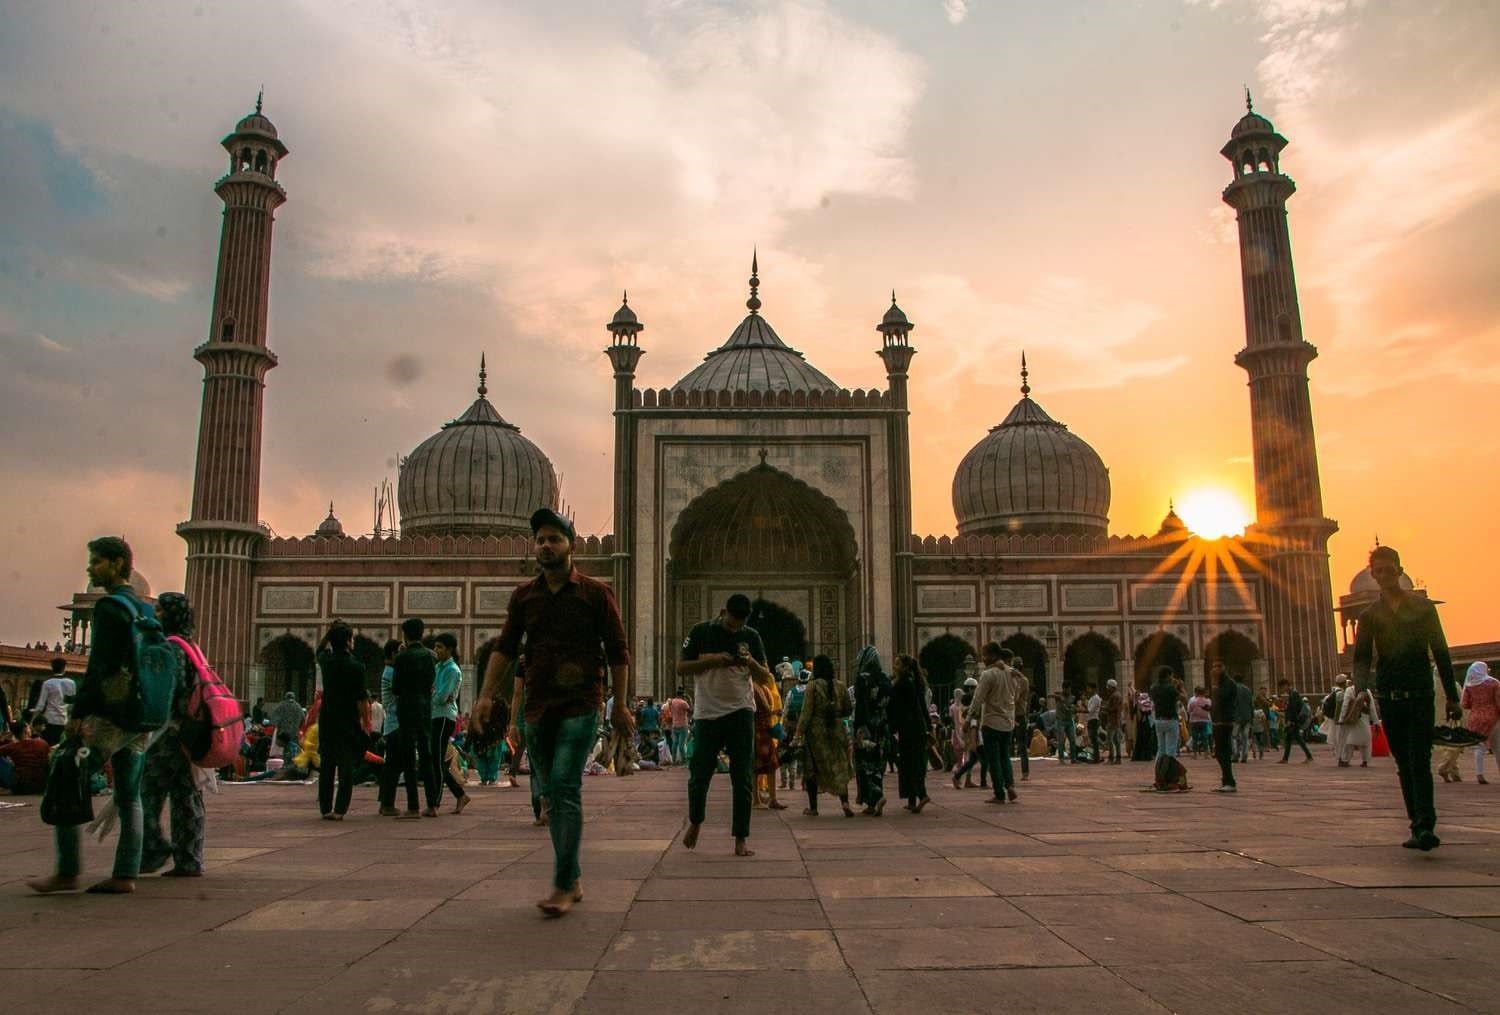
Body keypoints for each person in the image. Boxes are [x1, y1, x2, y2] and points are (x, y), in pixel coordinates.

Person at [472, 507, 632, 915]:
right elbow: (505, 648)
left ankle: (562, 884)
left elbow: (617, 651)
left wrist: (621, 705)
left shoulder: (597, 593)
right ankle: (572, 875)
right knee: (550, 794)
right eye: (540, 539)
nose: (545, 545)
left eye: (553, 538)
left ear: (571, 545)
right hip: (538, 706)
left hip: (581, 701)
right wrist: (486, 695)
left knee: (563, 784)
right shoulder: (524, 596)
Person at [30, 536, 159, 895]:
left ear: (117, 564)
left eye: (97, 561)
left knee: (67, 772)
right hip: (143, 716)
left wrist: (80, 713)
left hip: (112, 716)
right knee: (129, 794)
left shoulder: (111, 608)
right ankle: (126, 874)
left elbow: (98, 666)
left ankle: (68, 870)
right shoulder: (146, 611)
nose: (91, 567)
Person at [1352, 544, 1461, 851]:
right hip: (1390, 694)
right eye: (1379, 571)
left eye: (1390, 570)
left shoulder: (1423, 608)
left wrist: (1452, 697)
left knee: (1419, 760)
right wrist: (1361, 689)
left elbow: (1440, 651)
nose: (1385, 575)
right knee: (1404, 762)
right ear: (1374, 575)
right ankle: (1418, 824)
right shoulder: (1370, 615)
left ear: (1399, 571)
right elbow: (1361, 658)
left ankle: (1425, 825)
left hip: (1421, 693)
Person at [677, 595, 767, 856]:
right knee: (699, 776)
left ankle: (741, 838)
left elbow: (764, 676)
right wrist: (713, 660)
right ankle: (695, 821)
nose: (735, 629)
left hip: (741, 711)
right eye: (731, 623)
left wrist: (749, 661)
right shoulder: (701, 632)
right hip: (707, 714)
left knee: (742, 778)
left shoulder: (751, 636)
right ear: (722, 612)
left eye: (740, 624)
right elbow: (681, 667)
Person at [315, 621, 369, 821]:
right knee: (346, 767)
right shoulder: (357, 666)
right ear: (348, 642)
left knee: (327, 765)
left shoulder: (326, 662)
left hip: (328, 718)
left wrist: (329, 633)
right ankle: (340, 810)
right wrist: (366, 723)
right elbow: (362, 698)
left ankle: (325, 808)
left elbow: (319, 650)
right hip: (348, 719)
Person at [391, 618, 437, 819]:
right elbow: (431, 681)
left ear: (405, 635)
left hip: (407, 708)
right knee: (427, 756)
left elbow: (396, 688)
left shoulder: (402, 657)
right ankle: (432, 805)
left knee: (409, 757)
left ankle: (413, 806)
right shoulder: (430, 656)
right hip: (425, 707)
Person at [800, 654, 854, 817]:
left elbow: (806, 712)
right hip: (837, 730)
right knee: (840, 767)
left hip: (816, 732)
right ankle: (845, 802)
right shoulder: (840, 686)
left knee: (813, 768)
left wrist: (797, 734)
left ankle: (813, 807)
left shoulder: (813, 686)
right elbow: (848, 710)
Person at [970, 644, 1024, 804]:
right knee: (1005, 757)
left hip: (991, 722)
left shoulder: (988, 674)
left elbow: (977, 699)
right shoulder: (1013, 674)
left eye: (985, 655)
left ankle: (999, 793)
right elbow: (1017, 696)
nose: (983, 658)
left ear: (993, 655)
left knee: (994, 760)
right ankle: (1010, 785)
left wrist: (968, 720)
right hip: (1008, 722)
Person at [430, 632, 470, 815]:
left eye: (439, 647)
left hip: (444, 716)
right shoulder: (439, 667)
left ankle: (435, 803)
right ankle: (460, 795)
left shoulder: (452, 670)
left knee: (437, 761)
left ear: (449, 649)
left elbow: (442, 697)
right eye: (435, 646)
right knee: (436, 760)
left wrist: (432, 696)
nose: (436, 650)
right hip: (437, 715)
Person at [887, 654, 931, 812]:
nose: (894, 666)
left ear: (905, 667)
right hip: (916, 728)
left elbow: (897, 708)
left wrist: (892, 727)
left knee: (909, 764)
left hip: (908, 729)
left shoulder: (903, 683)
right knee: (914, 762)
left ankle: (922, 794)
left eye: (897, 664)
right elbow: (922, 708)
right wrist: (928, 728)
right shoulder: (915, 682)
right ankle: (912, 801)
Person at [852, 645, 891, 815]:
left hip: (866, 727)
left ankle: (877, 796)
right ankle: (871, 805)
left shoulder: (863, 678)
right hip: (882, 728)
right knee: (878, 765)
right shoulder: (884, 679)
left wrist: (859, 728)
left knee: (864, 764)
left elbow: (861, 705)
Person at [750, 663, 785, 810]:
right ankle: (756, 799)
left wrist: (774, 712)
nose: (768, 674)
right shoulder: (751, 689)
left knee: (771, 765)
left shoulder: (764, 689)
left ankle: (773, 798)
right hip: (756, 731)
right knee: (756, 767)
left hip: (766, 731)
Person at [375, 639, 404, 815]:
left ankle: (384, 802)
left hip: (392, 724)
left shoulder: (389, 671)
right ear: (394, 654)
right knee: (394, 766)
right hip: (395, 724)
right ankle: (387, 804)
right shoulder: (392, 672)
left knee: (391, 766)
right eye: (400, 651)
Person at [1461, 662, 1499, 784]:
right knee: (1497, 746)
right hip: (1492, 717)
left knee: (1479, 746)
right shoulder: (1494, 683)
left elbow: (1465, 704)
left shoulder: (1469, 685)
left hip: (1475, 718)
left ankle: (1479, 774)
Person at [1336, 679, 1378, 768]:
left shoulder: (1350, 690)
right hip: (1364, 718)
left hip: (1352, 718)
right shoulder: (1367, 691)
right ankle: (1365, 761)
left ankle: (1345, 760)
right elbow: (1372, 708)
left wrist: (1342, 719)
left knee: (1349, 740)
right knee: (1365, 741)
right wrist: (1375, 721)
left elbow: (1345, 705)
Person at [0, 722, 51, 794]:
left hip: (20, 784)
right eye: (29, 728)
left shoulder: (13, 747)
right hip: (40, 784)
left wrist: (2, 740)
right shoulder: (42, 743)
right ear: (25, 730)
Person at [1210, 665, 1238, 793]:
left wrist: (1215, 686)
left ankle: (1229, 782)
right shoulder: (1221, 683)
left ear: (1223, 668)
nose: (1213, 670)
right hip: (1218, 721)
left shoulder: (1228, 684)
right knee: (1219, 752)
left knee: (1223, 752)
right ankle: (1226, 780)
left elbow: (1222, 699)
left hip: (1224, 722)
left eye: (1217, 667)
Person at [36, 658, 75, 746]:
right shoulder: (71, 683)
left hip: (49, 719)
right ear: (64, 668)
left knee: (47, 745)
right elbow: (71, 703)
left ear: (52, 668)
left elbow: (41, 705)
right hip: (63, 720)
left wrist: (32, 721)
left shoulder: (48, 683)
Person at [1149, 667, 1184, 760]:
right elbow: (1184, 698)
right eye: (1172, 675)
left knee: (1161, 749)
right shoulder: (1170, 688)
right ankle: (1168, 772)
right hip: (1170, 719)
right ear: (1168, 675)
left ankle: (1159, 771)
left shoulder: (1153, 687)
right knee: (1171, 749)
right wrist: (1180, 687)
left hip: (1158, 720)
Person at [1277, 679, 1314, 763]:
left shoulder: (1293, 694)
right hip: (1294, 720)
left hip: (1294, 720)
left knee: (1295, 739)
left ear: (1286, 685)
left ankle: (1308, 757)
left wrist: (1291, 720)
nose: (1282, 690)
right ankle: (1286, 758)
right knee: (1290, 738)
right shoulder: (1292, 693)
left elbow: (1293, 709)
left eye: (1282, 687)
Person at [268, 692, 305, 763]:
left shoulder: (281, 705)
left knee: (284, 751)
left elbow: (273, 720)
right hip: (294, 733)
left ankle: (286, 764)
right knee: (293, 750)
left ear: (285, 697)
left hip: (283, 735)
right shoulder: (298, 706)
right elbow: (303, 718)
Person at [1231, 668, 1254, 763]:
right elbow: (1251, 703)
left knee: (1234, 736)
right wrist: (1251, 716)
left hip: (1237, 716)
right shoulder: (1247, 689)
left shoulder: (1234, 688)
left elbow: (1233, 703)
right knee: (1245, 736)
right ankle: (1245, 755)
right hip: (1247, 716)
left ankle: (1236, 754)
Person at [1099, 679, 1124, 764]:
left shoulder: (1114, 695)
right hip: (1116, 719)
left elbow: (1114, 708)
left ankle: (1111, 758)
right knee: (1116, 740)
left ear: (1111, 687)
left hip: (1113, 720)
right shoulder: (1118, 695)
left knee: (1110, 739)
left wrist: (1103, 708)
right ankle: (1118, 758)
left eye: (1108, 687)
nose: (1107, 689)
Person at [666, 689, 691, 766]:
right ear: (682, 695)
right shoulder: (683, 703)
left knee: (674, 743)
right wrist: (689, 700)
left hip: (674, 725)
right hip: (683, 725)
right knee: (681, 745)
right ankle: (684, 761)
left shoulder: (672, 702)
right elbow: (690, 711)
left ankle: (673, 761)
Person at [1053, 687, 1078, 763]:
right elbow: (1050, 695)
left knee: (1072, 739)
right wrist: (1059, 697)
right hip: (1060, 720)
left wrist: (1073, 708)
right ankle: (1061, 758)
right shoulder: (1059, 696)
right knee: (1061, 740)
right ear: (1064, 689)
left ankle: (1073, 758)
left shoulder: (1072, 697)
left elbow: (1075, 708)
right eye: (1067, 689)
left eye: (1069, 689)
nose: (1068, 691)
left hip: (1069, 720)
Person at [1186, 686, 1212, 758]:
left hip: (1194, 721)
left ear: (1197, 693)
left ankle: (1195, 754)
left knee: (1195, 738)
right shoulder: (1208, 701)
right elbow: (1209, 709)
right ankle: (1206, 754)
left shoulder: (1192, 701)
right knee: (1205, 737)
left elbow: (1189, 710)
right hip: (1204, 721)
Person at [1084, 683, 1103, 763]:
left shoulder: (1096, 698)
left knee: (1094, 739)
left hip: (1093, 719)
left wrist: (1079, 710)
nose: (1088, 690)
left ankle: (1096, 758)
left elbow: (1090, 710)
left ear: (1093, 689)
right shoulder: (1092, 698)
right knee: (1093, 739)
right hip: (1090, 719)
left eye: (1089, 688)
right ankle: (1096, 757)